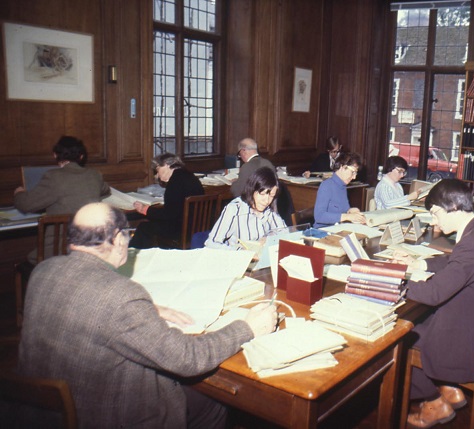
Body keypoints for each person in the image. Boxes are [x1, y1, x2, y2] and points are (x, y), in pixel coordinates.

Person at [17, 202, 277, 428]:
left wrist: (147, 309)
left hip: (45, 410)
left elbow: (83, 305)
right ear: (119, 239)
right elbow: (188, 359)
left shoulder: (43, 271)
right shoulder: (121, 296)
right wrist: (247, 328)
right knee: (215, 402)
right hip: (105, 415)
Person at [391, 179, 474, 428]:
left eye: (435, 214)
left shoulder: (471, 244)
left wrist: (391, 284)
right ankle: (449, 389)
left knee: (399, 337)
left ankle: (435, 402)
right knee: (420, 320)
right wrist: (419, 264)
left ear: (454, 206)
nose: (433, 222)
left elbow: (434, 294)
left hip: (467, 337)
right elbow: (457, 264)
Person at [14, 136, 110, 264]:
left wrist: (19, 193)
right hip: (89, 247)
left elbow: (25, 205)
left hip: (58, 251)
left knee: (28, 257)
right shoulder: (95, 174)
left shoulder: (53, 176)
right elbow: (106, 190)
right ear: (81, 157)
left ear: (55, 155)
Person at [130, 153, 204, 249]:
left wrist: (145, 209)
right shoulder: (190, 176)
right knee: (150, 221)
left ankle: (132, 256)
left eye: (157, 170)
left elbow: (168, 214)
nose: (157, 175)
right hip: (194, 227)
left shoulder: (175, 182)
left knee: (144, 227)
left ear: (166, 165)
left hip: (180, 230)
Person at [205, 167, 287, 250]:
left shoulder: (269, 209)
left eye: (271, 196)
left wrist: (269, 238)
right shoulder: (234, 210)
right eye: (262, 194)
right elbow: (210, 244)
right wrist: (240, 251)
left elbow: (285, 233)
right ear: (252, 190)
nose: (266, 201)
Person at [313, 152, 367, 228]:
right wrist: (347, 217)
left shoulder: (342, 186)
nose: (354, 177)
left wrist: (350, 211)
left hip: (337, 229)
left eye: (356, 173)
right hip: (323, 231)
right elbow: (319, 216)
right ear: (343, 167)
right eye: (353, 172)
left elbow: (340, 209)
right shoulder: (326, 185)